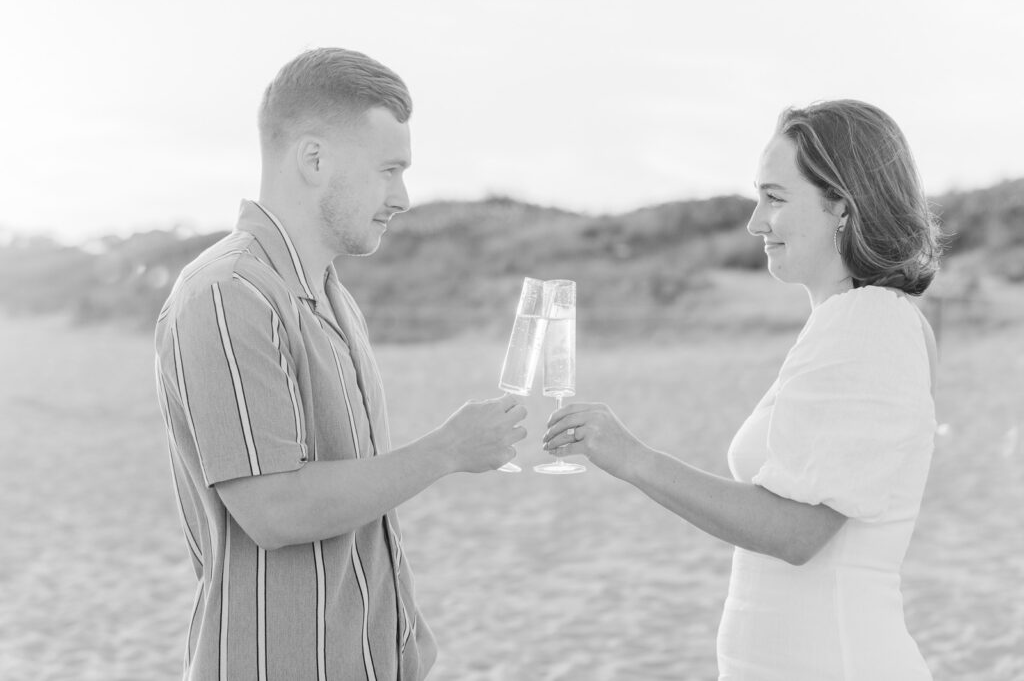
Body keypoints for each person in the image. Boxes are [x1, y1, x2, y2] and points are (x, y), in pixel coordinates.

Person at [153, 48, 526, 681]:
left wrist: (406, 641)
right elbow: (274, 510)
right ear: (315, 158)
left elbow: (355, 505)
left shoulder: (332, 297)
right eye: (389, 170)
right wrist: (447, 450)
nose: (402, 197)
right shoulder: (227, 293)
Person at [544, 99, 941, 680]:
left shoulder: (869, 324)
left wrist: (632, 458)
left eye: (775, 198)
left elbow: (798, 531)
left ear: (843, 208)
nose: (755, 222)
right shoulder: (850, 322)